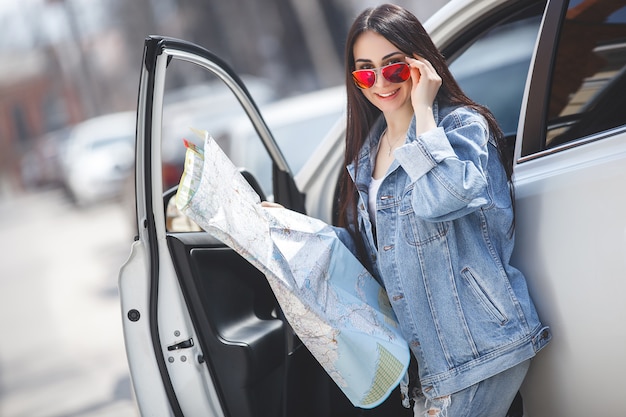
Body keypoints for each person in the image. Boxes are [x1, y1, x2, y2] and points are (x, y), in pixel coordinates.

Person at [335, 4, 551, 416]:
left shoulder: (461, 128)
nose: (380, 82)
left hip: (479, 351)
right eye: (365, 71)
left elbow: (442, 199)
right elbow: (382, 253)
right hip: (429, 365)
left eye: (394, 67)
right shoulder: (368, 153)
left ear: (420, 66)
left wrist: (423, 113)